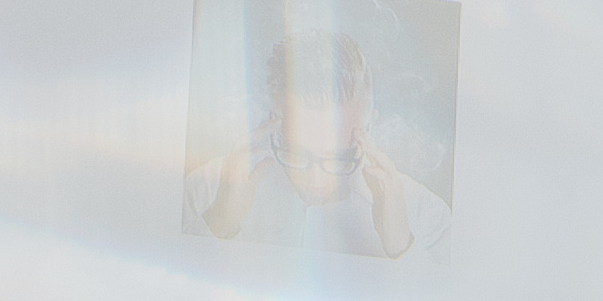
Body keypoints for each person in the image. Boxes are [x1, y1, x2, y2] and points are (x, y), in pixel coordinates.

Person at [183, 29, 452, 259]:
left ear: (368, 128)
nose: (314, 177)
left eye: (340, 157)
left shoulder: (426, 214)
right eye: (295, 152)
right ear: (272, 120)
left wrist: (402, 248)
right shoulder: (205, 189)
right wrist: (216, 224)